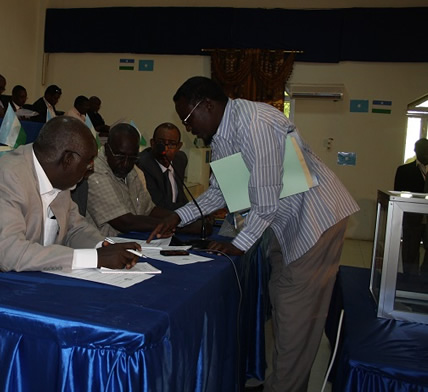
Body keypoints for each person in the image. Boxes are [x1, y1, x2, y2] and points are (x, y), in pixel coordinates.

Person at [148, 76, 359, 392]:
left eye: (188, 119)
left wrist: (239, 244)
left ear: (207, 105)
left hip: (314, 221)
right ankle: (280, 383)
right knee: (284, 306)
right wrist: (178, 216)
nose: (187, 129)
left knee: (295, 317)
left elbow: (265, 201)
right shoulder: (223, 135)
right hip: (286, 223)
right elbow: (222, 192)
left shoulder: (256, 123)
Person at [0, 116, 139, 286]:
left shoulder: (58, 177)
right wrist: (93, 258)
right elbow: (11, 253)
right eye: (88, 162)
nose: (91, 168)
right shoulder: (6, 179)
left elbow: (74, 228)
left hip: (23, 283)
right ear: (67, 159)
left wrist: (102, 246)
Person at [86, 123, 197, 237]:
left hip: (131, 238)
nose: (125, 163)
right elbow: (125, 222)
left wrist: (184, 218)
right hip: (105, 243)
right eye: (120, 156)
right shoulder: (94, 171)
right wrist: (180, 226)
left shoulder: (132, 170)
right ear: (107, 149)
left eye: (132, 157)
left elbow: (149, 210)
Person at [393, 138, 428, 274]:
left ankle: (425, 279)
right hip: (412, 218)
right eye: (421, 150)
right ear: (415, 151)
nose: (425, 153)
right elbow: (398, 194)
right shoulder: (404, 170)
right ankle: (409, 279)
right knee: (410, 251)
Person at [136, 122, 189, 211]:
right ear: (152, 143)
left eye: (171, 144)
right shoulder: (143, 164)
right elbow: (158, 205)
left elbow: (180, 197)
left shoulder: (180, 160)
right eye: (161, 143)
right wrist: (193, 209)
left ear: (178, 147)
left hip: (175, 214)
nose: (165, 149)